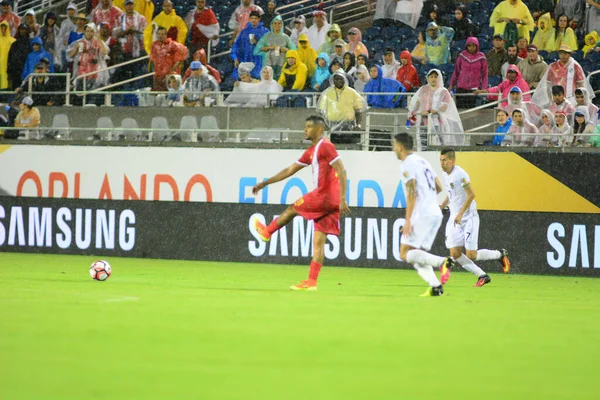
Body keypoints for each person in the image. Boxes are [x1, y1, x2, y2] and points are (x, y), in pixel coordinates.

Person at [252, 115, 350, 291]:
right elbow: (290, 170)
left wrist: (344, 198)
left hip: (324, 196)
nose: (305, 130)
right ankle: (311, 282)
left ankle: (266, 232)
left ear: (319, 129)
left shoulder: (325, 146)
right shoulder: (311, 151)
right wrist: (266, 182)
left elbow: (341, 170)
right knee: (319, 240)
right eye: (305, 127)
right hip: (332, 201)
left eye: (309, 127)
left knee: (292, 208)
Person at [394, 133, 455, 297]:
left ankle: (442, 262)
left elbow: (412, 193)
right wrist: (427, 197)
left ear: (400, 147)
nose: (394, 150)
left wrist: (408, 220)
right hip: (435, 211)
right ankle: (436, 287)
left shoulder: (407, 163)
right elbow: (439, 186)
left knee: (404, 253)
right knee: (416, 256)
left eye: (394, 146)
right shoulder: (423, 161)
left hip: (422, 213)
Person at [439, 148, 510, 287]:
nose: (442, 163)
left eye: (444, 160)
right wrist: (442, 206)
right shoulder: (446, 174)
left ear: (452, 161)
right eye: (440, 160)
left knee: (471, 254)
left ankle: (500, 255)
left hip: (468, 217)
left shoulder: (460, 174)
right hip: (455, 217)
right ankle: (482, 275)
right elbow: (451, 193)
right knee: (455, 252)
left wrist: (460, 213)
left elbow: (471, 194)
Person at [408, 69, 464, 148]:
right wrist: (417, 112)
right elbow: (417, 103)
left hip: (439, 123)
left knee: (439, 145)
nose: (433, 79)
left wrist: (433, 111)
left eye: (435, 77)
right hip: (423, 123)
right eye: (431, 77)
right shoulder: (423, 89)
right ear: (428, 78)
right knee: (422, 144)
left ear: (439, 78)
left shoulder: (444, 91)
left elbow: (445, 107)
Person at [318, 70, 366, 136]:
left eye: (341, 78)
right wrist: (324, 125)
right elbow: (321, 112)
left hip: (349, 126)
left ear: (345, 79)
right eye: (336, 79)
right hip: (330, 127)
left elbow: (358, 112)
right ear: (333, 80)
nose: (338, 81)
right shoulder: (326, 93)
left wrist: (358, 125)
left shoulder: (353, 93)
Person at [449, 37, 488, 109]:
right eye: (469, 45)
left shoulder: (481, 57)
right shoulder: (462, 56)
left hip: (474, 89)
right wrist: (451, 84)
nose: (471, 48)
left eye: (473, 45)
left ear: (477, 46)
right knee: (460, 110)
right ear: (466, 46)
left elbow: (485, 74)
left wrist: (483, 88)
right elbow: (456, 71)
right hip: (461, 88)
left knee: (471, 112)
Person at [68, 23, 109, 90]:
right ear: (84, 32)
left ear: (94, 32)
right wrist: (76, 48)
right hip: (81, 73)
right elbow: (71, 55)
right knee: (79, 93)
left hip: (93, 73)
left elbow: (105, 53)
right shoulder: (80, 42)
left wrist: (99, 39)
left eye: (91, 31)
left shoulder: (97, 42)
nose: (89, 33)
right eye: (87, 31)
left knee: (89, 94)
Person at [230, 10, 268, 79]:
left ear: (259, 19)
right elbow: (237, 46)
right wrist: (235, 58)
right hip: (246, 59)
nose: (254, 20)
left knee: (258, 79)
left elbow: (269, 46)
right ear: (249, 19)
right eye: (252, 18)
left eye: (256, 18)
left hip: (259, 61)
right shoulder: (244, 32)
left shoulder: (265, 31)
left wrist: (257, 43)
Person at [149, 26, 188, 91]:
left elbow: (182, 53)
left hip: (170, 75)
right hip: (158, 74)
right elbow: (153, 59)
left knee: (171, 93)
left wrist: (172, 70)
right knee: (158, 93)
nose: (160, 36)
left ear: (166, 35)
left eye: (162, 34)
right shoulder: (154, 45)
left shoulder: (172, 44)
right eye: (158, 34)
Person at [114, 0, 147, 72]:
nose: (129, 7)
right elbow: (116, 35)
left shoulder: (141, 18)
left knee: (138, 72)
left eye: (131, 5)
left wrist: (134, 31)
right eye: (127, 5)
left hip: (139, 49)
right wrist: (127, 31)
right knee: (126, 74)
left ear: (134, 5)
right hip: (124, 51)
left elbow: (144, 34)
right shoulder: (119, 20)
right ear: (124, 6)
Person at [7, 24, 31, 89]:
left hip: (25, 72)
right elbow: (10, 59)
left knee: (25, 91)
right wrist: (9, 72)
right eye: (21, 29)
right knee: (15, 92)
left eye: (24, 29)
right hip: (15, 73)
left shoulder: (30, 44)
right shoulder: (14, 44)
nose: (22, 31)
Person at [0, 20, 14, 90]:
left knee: (7, 87)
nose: (3, 30)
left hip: (8, 67)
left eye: (4, 28)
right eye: (1, 28)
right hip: (1, 66)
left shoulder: (12, 41)